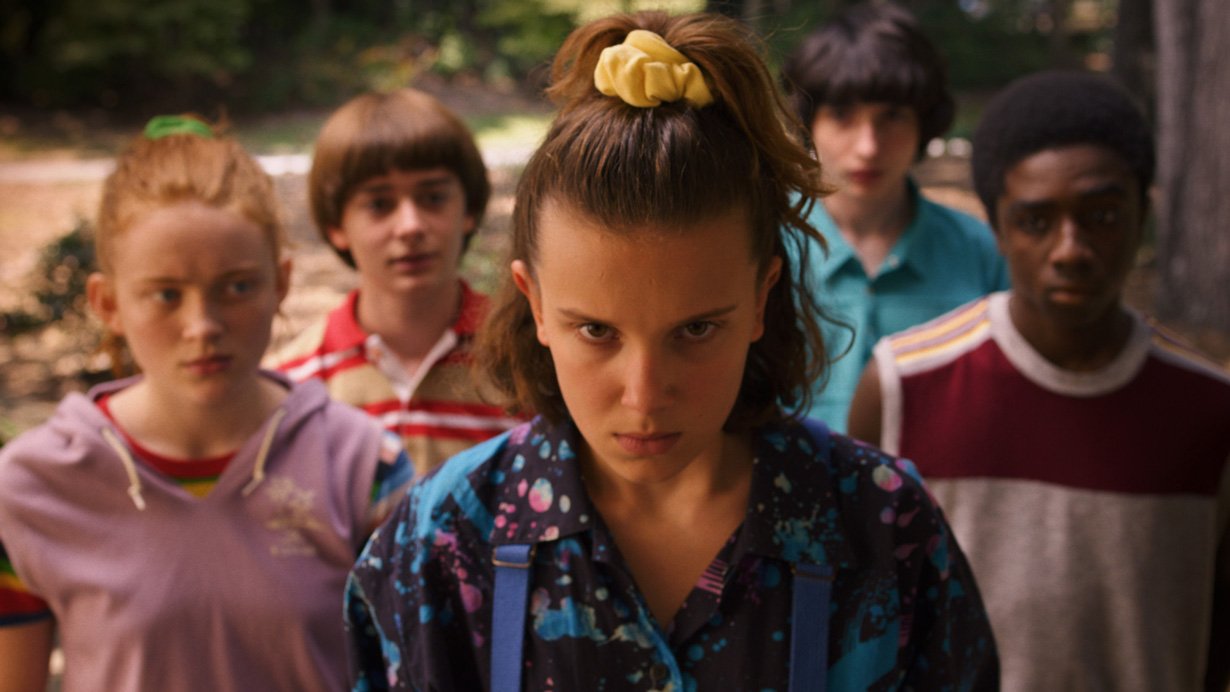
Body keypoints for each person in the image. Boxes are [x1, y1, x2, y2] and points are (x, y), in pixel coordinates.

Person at [344, 11, 998, 691]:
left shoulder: (885, 532)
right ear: (535, 304)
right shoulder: (443, 545)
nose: (646, 394)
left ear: (762, 296)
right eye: (596, 331)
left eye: (696, 330)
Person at [0, 116, 414, 692]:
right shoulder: (29, 488)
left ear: (281, 283)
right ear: (108, 302)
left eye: (237, 287)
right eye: (166, 295)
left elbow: (411, 670)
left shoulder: (364, 468)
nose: (203, 326)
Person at [847, 70, 1230, 691]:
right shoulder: (903, 385)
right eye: (1035, 221)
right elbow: (859, 620)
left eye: (1101, 215)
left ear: (1143, 215)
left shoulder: (1210, 410)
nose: (1070, 249)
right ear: (998, 229)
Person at [268, 88, 521, 477]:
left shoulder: (525, 360)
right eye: (379, 205)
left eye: (433, 197)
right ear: (337, 225)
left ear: (468, 209)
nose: (410, 226)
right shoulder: (294, 385)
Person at [780, 1, 1008, 432]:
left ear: (925, 123)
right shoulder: (764, 244)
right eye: (842, 115)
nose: (868, 146)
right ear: (808, 122)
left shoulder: (983, 252)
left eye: (892, 116)